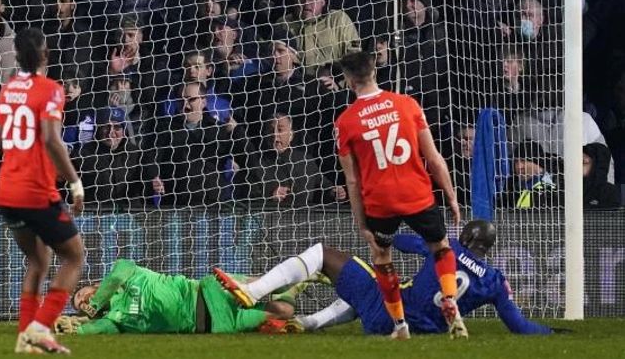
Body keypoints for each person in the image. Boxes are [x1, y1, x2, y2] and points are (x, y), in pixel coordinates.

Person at [222, 51, 465, 340]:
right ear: (374, 71)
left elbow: (352, 180)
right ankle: (450, 301)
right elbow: (435, 158)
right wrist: (451, 196)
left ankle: (400, 326)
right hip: (417, 194)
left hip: (380, 201)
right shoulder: (408, 105)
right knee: (441, 247)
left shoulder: (346, 122)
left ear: (348, 80)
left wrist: (362, 223)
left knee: (382, 258)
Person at [237, 221, 554, 336]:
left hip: (392, 312)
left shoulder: (449, 248)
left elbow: (407, 242)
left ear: (467, 237)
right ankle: (307, 324)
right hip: (418, 332)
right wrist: (553, 332)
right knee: (370, 287)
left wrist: (387, 234)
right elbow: (519, 326)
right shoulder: (496, 281)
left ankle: (253, 290)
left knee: (324, 254)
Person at [0, 28, 86, 355]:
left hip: (5, 190)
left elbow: (0, 141)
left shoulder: (7, 90)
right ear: (45, 54)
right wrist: (74, 182)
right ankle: (40, 326)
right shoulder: (52, 90)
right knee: (74, 256)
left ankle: (24, 337)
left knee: (38, 260)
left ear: (18, 56)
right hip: (34, 191)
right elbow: (51, 139)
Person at [61, 259, 297, 335]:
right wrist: (75, 327)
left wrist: (95, 302)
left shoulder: (125, 272)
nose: (84, 301)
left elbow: (118, 273)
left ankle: (303, 271)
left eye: (83, 295)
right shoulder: (115, 319)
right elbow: (95, 329)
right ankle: (301, 284)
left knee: (268, 283)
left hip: (209, 292)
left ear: (94, 286)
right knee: (284, 312)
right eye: (81, 304)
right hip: (214, 325)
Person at [583, 143, 621, 210]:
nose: (578, 166)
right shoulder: (565, 189)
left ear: (596, 166)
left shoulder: (612, 194)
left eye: (584, 162)